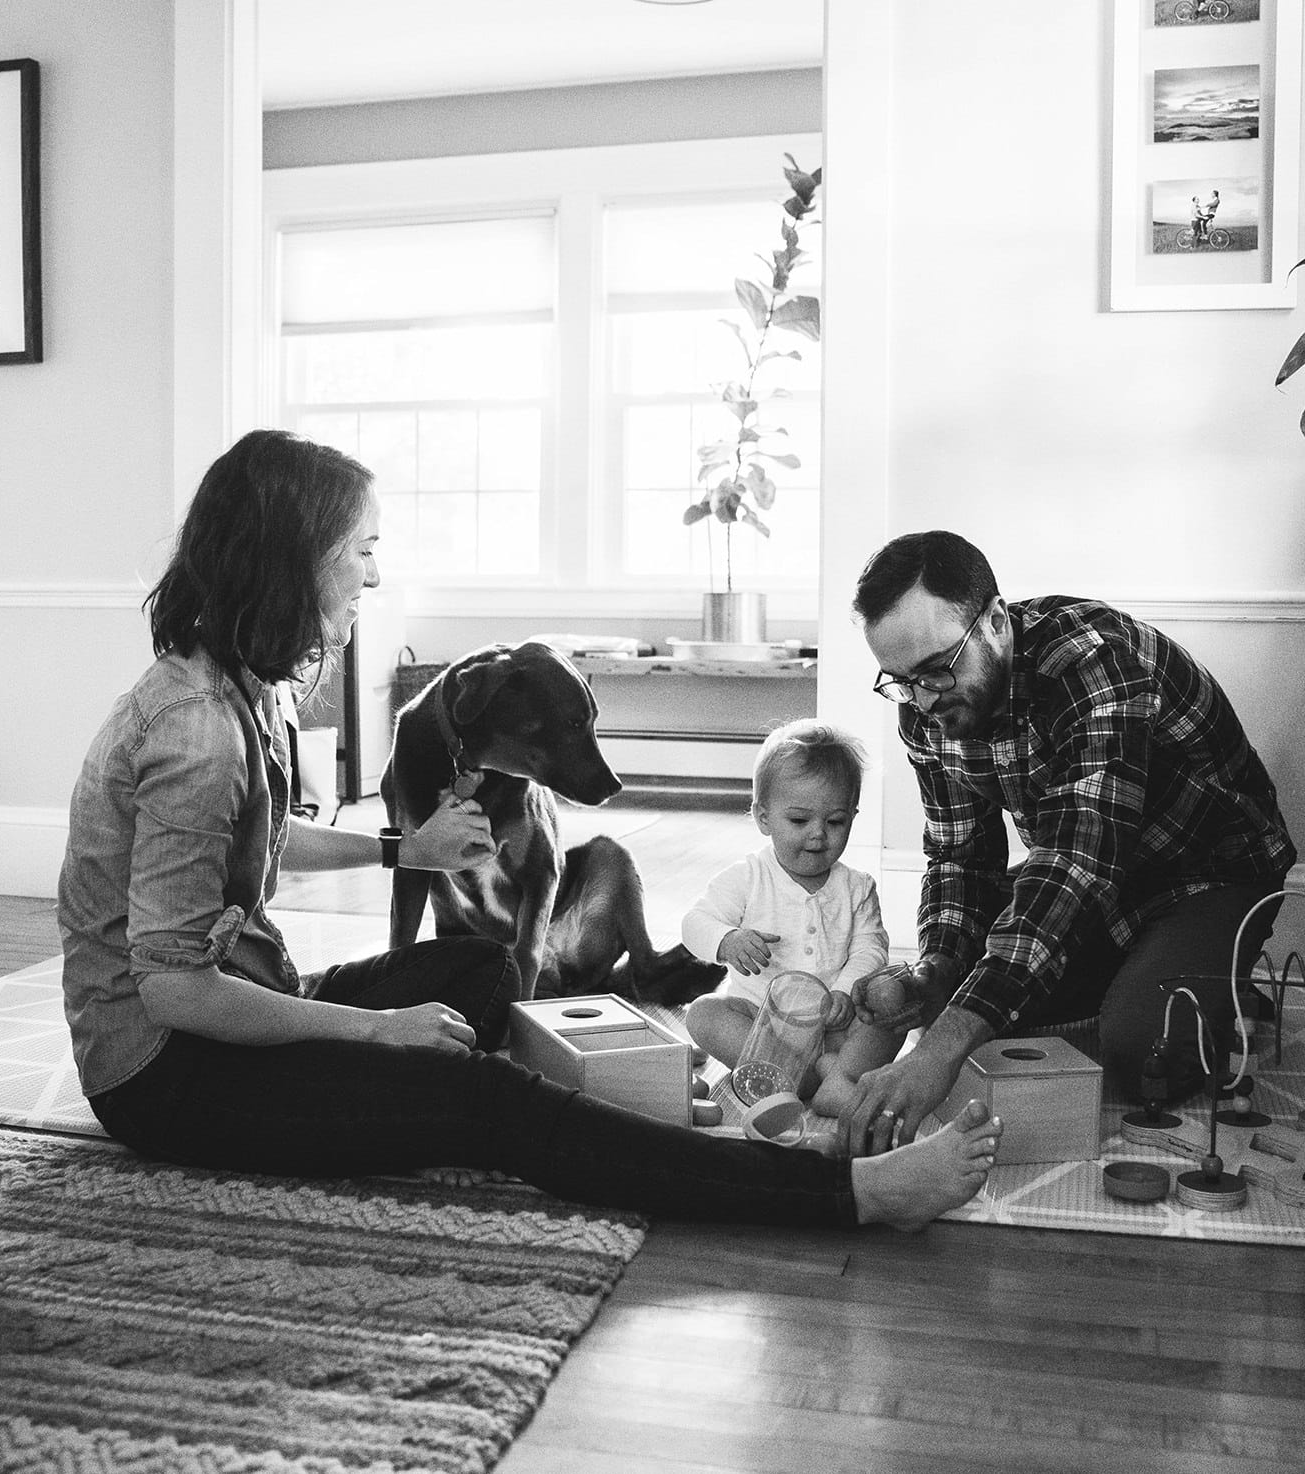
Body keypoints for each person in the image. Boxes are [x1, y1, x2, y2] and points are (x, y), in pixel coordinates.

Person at [58, 430, 999, 1229]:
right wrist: (376, 1032)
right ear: (291, 560)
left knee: (484, 972)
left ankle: (515, 1111)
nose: (374, 573)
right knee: (487, 1099)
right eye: (360, 549)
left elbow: (262, 838)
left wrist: (407, 850)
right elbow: (174, 989)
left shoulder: (246, 688)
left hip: (246, 1001)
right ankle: (847, 1194)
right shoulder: (194, 732)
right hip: (167, 1074)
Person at [841, 530, 1295, 1157]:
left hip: (1207, 875)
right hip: (1097, 887)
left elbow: (1074, 867)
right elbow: (959, 857)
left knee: (1140, 1056)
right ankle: (1144, 974)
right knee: (974, 1005)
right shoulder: (925, 706)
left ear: (994, 622)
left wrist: (941, 1046)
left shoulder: (1093, 662)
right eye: (901, 681)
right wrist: (937, 969)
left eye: (938, 670)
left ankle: (1217, 988)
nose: (922, 699)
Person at [682, 720, 903, 1119]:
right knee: (704, 1013)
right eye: (799, 821)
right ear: (763, 817)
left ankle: (839, 1075)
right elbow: (695, 922)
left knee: (896, 1004)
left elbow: (871, 949)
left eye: (835, 821)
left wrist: (845, 992)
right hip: (760, 1025)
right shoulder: (748, 877)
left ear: (853, 816)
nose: (818, 834)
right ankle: (805, 1079)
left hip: (837, 1027)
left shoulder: (857, 887)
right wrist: (727, 940)